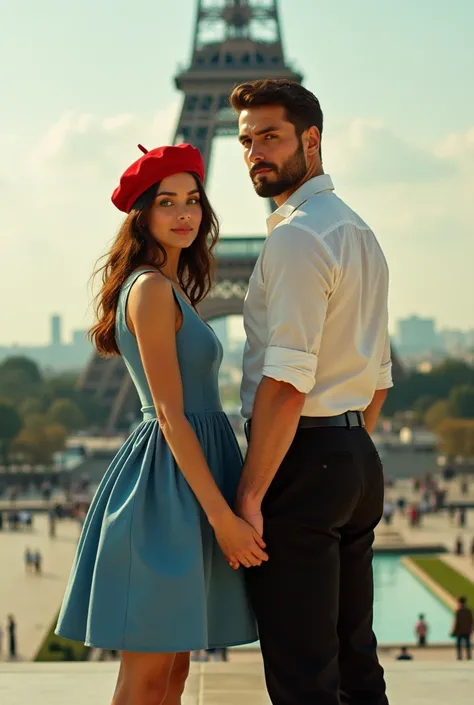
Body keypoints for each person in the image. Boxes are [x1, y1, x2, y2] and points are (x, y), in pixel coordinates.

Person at [55, 143, 263, 704]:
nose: (184, 213)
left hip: (188, 480)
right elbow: (169, 413)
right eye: (166, 202)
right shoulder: (148, 289)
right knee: (148, 676)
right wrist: (222, 518)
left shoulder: (174, 290)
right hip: (166, 488)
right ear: (142, 215)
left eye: (192, 199)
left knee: (172, 674)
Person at [230, 78, 392, 705]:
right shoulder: (359, 232)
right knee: (355, 663)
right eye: (246, 141)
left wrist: (251, 493)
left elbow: (286, 381)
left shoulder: (295, 237)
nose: (254, 153)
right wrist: (345, 454)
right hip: (352, 457)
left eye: (270, 136)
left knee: (302, 674)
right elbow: (377, 379)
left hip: (301, 460)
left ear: (312, 139)